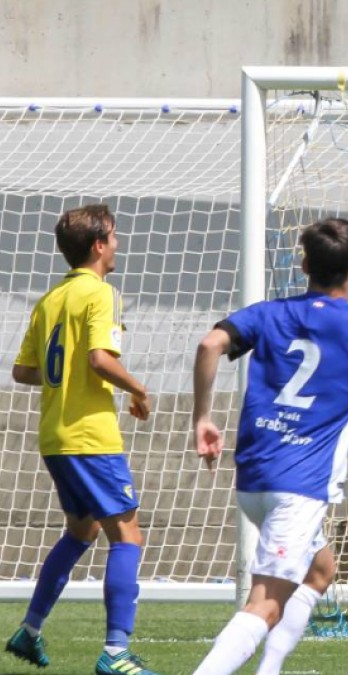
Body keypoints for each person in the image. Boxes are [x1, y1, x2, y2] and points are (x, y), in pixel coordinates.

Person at [191, 218, 348, 674]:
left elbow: (210, 345)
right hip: (300, 487)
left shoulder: (268, 314)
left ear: (304, 266)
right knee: (264, 605)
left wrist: (203, 418)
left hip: (254, 478)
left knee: (320, 570)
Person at [5, 204, 158, 675]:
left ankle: (29, 631)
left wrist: (65, 376)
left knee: (81, 530)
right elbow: (99, 359)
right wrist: (139, 389)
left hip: (55, 436)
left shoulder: (50, 299)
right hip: (90, 436)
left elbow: (23, 371)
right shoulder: (101, 293)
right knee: (127, 534)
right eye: (113, 236)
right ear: (98, 245)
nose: (118, 243)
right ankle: (116, 652)